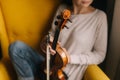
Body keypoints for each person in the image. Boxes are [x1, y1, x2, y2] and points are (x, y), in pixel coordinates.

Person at [9, 0, 108, 80]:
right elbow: (51, 35)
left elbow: (99, 55)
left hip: (64, 75)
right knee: (16, 47)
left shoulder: (99, 17)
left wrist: (68, 58)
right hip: (48, 65)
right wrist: (46, 43)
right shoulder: (63, 9)